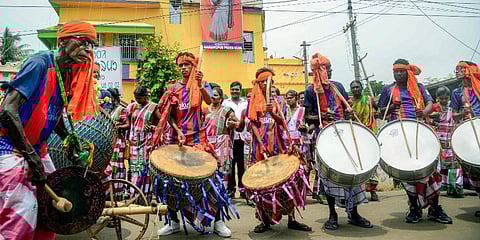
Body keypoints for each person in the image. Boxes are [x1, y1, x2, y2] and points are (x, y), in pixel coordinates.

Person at [0, 20, 99, 240]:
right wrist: (31, 156)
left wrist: (69, 140)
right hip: (10, 149)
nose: (88, 49)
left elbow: (52, 115)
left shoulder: (67, 73)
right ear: (63, 41)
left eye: (91, 45)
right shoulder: (39, 64)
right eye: (83, 42)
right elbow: (7, 110)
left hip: (37, 149)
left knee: (51, 210)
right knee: (23, 212)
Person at [154, 52, 232, 237]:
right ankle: (173, 222)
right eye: (181, 65)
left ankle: (218, 222)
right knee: (170, 183)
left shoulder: (201, 84)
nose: (183, 68)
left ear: (193, 67)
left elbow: (208, 100)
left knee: (213, 181)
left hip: (198, 141)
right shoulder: (173, 88)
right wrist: (178, 130)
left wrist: (201, 84)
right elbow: (167, 114)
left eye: (187, 65)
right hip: (177, 142)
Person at [378, 58, 452, 224]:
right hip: (400, 136)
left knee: (431, 170)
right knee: (409, 172)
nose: (397, 74)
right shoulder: (388, 90)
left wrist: (423, 113)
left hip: (421, 133)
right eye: (395, 71)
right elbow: (380, 111)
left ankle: (435, 208)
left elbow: (430, 104)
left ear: (408, 72)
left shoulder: (418, 87)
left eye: (401, 71)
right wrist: (391, 108)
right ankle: (414, 208)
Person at [304, 53, 372, 230]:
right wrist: (321, 116)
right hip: (325, 137)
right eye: (328, 68)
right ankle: (332, 215)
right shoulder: (311, 91)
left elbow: (346, 106)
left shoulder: (338, 86)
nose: (331, 71)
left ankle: (354, 213)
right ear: (319, 71)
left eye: (331, 68)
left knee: (353, 172)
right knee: (330, 177)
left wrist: (349, 113)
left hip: (346, 135)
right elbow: (307, 116)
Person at [248, 68, 311, 233]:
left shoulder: (280, 102)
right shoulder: (253, 101)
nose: (266, 84)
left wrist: (272, 113)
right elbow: (253, 124)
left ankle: (291, 219)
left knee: (286, 183)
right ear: (259, 84)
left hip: (279, 148)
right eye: (263, 82)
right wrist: (260, 143)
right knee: (260, 186)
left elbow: (282, 123)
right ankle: (265, 221)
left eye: (268, 81)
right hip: (259, 148)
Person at [117, 86, 162, 197]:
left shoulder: (153, 107)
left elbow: (162, 123)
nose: (137, 100)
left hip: (146, 143)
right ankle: (133, 194)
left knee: (144, 168)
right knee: (133, 168)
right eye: (135, 97)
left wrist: (152, 127)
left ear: (145, 97)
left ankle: (145, 194)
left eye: (139, 98)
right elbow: (124, 119)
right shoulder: (132, 107)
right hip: (133, 143)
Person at [450, 60, 480, 217]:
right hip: (467, 132)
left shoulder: (478, 89)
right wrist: (463, 113)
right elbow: (454, 115)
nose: (456, 72)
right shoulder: (456, 93)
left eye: (460, 69)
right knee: (474, 170)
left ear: (470, 71)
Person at [203, 86, 242, 191]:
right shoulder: (205, 110)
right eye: (211, 95)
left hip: (222, 142)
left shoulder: (226, 110)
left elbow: (238, 123)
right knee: (208, 167)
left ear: (221, 98)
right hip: (208, 143)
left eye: (215, 95)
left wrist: (232, 124)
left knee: (223, 168)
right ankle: (210, 191)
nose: (213, 97)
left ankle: (223, 192)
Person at [350, 80, 379, 201]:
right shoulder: (349, 102)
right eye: (353, 88)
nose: (355, 89)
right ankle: (360, 191)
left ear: (362, 88)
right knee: (358, 163)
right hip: (357, 135)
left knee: (371, 162)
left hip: (370, 133)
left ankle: (373, 191)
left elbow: (378, 111)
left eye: (357, 87)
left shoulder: (369, 100)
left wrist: (375, 113)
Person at [222, 81, 249, 199]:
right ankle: (231, 190)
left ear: (240, 90)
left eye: (237, 89)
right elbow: (223, 118)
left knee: (242, 165)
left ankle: (243, 190)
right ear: (230, 90)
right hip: (230, 137)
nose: (234, 91)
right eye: (233, 89)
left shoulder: (246, 103)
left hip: (244, 137)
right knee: (231, 164)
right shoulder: (225, 103)